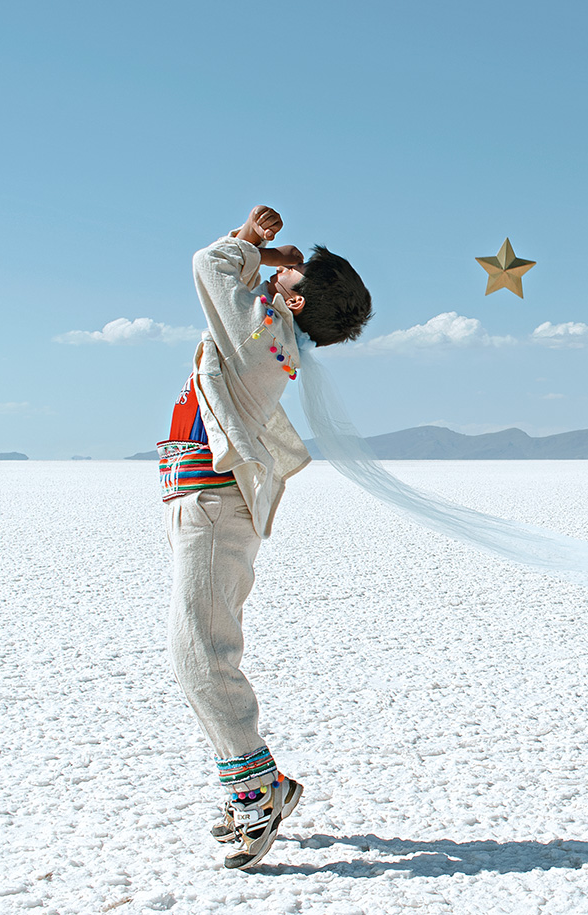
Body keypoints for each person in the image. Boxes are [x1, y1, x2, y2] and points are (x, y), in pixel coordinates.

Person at [158, 205, 371, 869]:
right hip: (207, 501)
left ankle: (257, 790)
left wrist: (253, 245)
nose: (283, 266)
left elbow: (208, 264)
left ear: (296, 296)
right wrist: (273, 266)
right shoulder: (272, 336)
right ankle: (252, 786)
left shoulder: (265, 331)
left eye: (294, 269)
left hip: (214, 505)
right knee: (201, 648)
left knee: (199, 652)